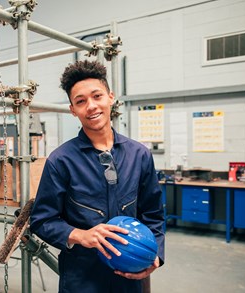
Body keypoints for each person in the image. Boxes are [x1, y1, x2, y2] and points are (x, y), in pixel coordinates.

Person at [29, 60, 165, 293]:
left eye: (97, 96)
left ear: (110, 97)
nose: (91, 106)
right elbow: (42, 220)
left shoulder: (139, 155)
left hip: (130, 276)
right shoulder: (61, 161)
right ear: (73, 110)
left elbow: (153, 214)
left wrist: (155, 256)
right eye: (81, 101)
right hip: (82, 277)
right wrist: (81, 235)